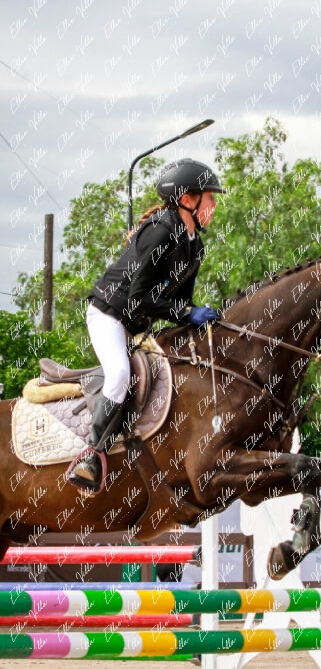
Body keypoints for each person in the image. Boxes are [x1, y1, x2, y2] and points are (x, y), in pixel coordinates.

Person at [68, 158, 225, 494]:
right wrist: (187, 313)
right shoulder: (161, 231)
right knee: (120, 375)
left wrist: (197, 314)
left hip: (137, 325)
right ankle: (91, 455)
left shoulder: (195, 245)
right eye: (210, 198)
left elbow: (180, 303)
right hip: (109, 315)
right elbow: (138, 298)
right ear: (187, 200)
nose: (214, 205)